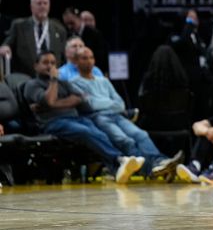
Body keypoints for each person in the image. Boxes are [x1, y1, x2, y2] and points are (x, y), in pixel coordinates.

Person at [22, 51, 143, 184]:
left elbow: (81, 98)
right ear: (35, 66)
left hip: (75, 118)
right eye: (45, 63)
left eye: (53, 63)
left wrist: (55, 104)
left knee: (99, 133)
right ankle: (119, 160)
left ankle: (117, 168)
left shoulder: (63, 82)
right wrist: (54, 82)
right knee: (86, 132)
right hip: (52, 122)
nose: (50, 66)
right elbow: (50, 99)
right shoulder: (32, 85)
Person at [71, 47, 183, 178]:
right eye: (85, 58)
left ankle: (160, 162)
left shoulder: (104, 81)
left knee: (141, 135)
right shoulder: (74, 83)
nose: (89, 61)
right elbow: (90, 105)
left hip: (117, 115)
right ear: (76, 62)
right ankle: (152, 168)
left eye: (91, 57)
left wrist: (104, 103)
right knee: (125, 140)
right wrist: (109, 103)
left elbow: (120, 104)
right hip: (98, 117)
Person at [1, 0, 67, 77]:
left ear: (49, 6)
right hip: (26, 76)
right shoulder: (19, 26)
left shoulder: (59, 29)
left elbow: (63, 55)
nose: (42, 6)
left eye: (45, 3)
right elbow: (8, 42)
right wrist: (5, 46)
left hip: (53, 77)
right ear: (31, 7)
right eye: (39, 3)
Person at [62, 7, 109, 74]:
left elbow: (101, 56)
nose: (69, 27)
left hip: (91, 69)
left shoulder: (94, 34)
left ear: (80, 19)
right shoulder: (68, 33)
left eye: (72, 23)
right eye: (67, 24)